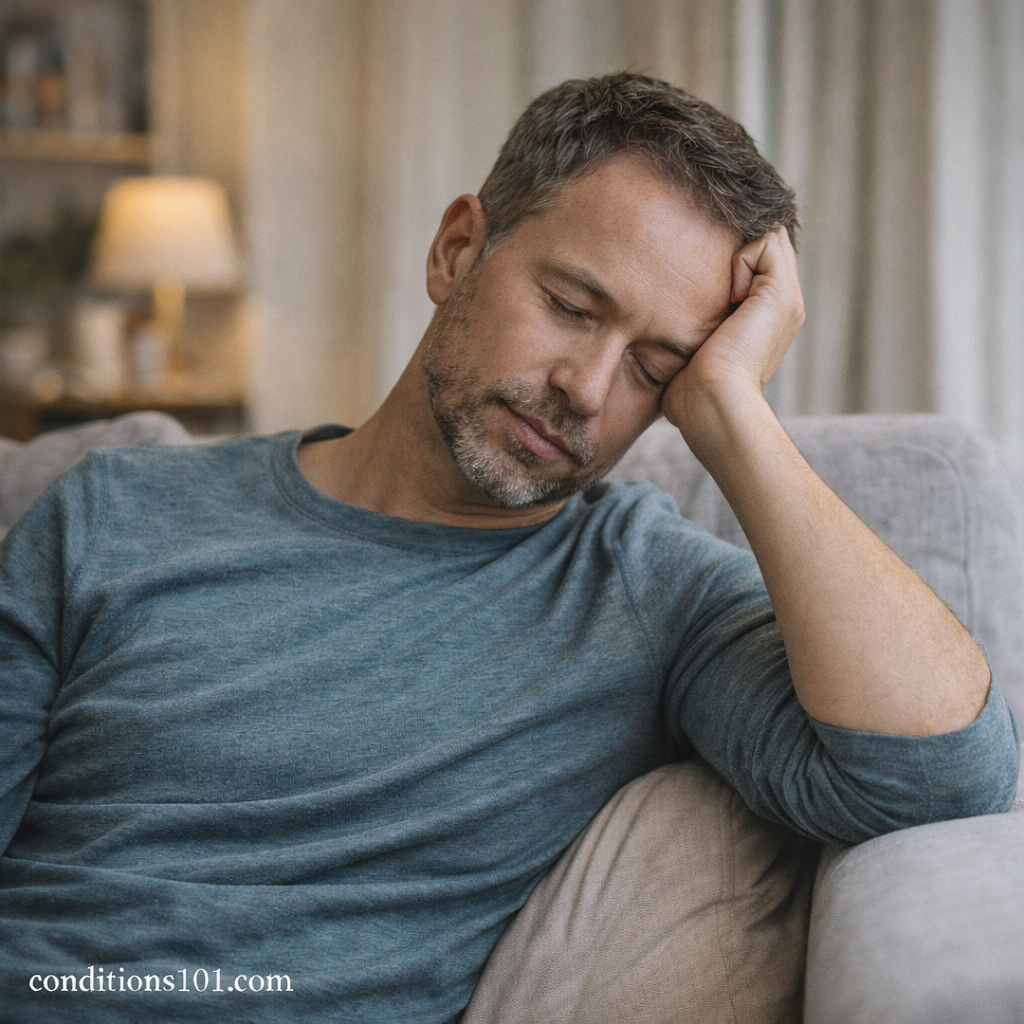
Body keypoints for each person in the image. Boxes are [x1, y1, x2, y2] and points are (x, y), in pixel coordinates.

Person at [0, 73, 1018, 1024]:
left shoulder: (643, 590)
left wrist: (732, 413)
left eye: (655, 366)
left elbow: (941, 776)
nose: (586, 385)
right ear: (456, 251)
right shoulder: (115, 509)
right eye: (571, 307)